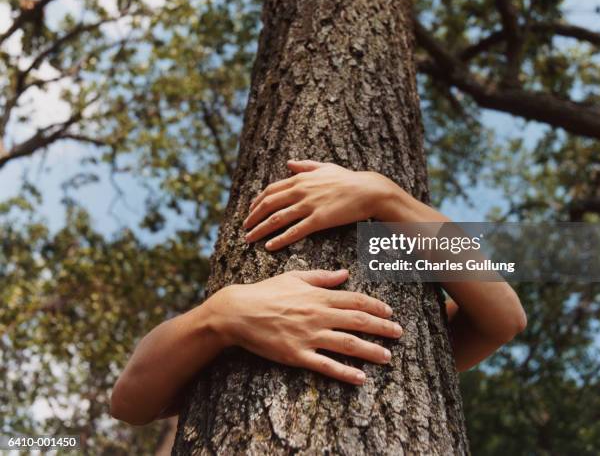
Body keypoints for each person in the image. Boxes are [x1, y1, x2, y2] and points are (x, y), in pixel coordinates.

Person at [110, 160, 527, 426]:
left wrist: (386, 197)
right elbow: (129, 402)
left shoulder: (415, 339)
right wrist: (222, 313)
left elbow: (504, 316)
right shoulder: (211, 348)